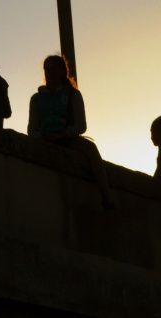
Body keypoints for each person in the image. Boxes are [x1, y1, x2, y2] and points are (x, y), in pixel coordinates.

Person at [27, 55, 115, 209]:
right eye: (46, 69)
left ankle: (106, 197)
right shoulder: (36, 98)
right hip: (44, 140)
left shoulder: (73, 95)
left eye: (53, 69)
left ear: (62, 72)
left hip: (67, 139)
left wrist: (62, 134)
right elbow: (31, 128)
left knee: (91, 149)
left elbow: (81, 125)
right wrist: (41, 137)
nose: (49, 72)